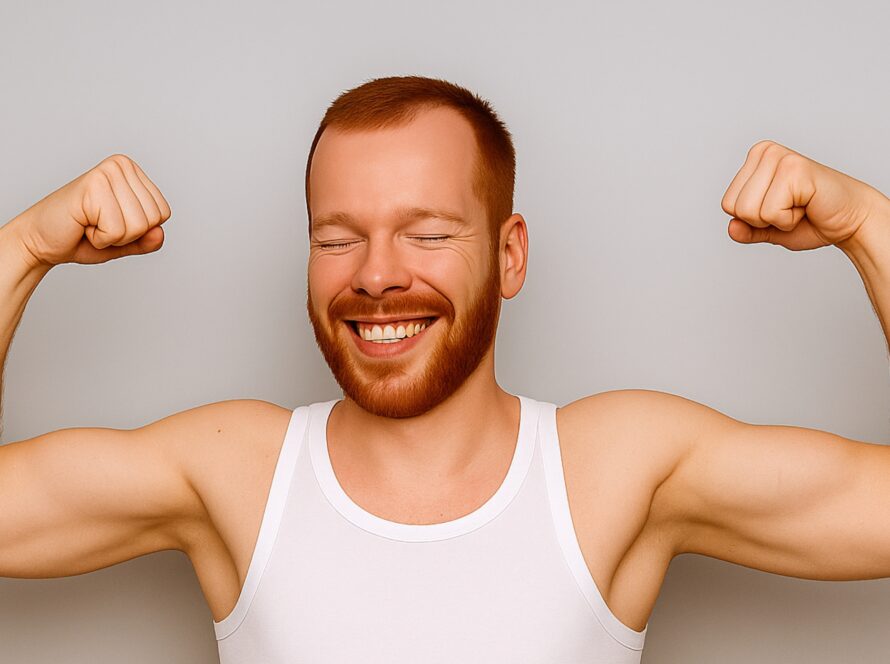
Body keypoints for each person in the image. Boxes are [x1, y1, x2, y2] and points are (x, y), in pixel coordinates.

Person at [1, 76, 888, 663]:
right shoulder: (235, 470)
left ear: (509, 256)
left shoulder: (617, 469)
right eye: (336, 238)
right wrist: (23, 249)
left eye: (427, 234)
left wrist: (866, 225)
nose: (377, 274)